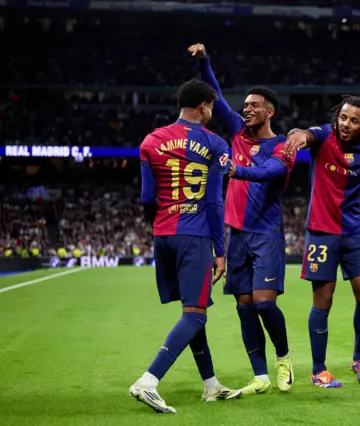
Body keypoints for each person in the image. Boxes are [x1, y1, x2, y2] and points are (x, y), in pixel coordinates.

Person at [189, 43, 295, 396]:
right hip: (237, 234)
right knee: (245, 307)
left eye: (254, 106)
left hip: (266, 233)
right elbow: (215, 96)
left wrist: (238, 170)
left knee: (265, 302)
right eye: (245, 105)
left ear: (270, 112)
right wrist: (205, 61)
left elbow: (270, 171)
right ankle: (260, 375)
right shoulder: (236, 132)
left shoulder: (282, 146)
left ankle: (283, 358)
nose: (246, 109)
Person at [130, 78, 234, 414]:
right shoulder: (216, 144)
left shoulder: (151, 140)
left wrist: (159, 225)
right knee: (196, 314)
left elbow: (147, 197)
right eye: (212, 107)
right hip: (196, 235)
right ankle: (149, 380)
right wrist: (220, 251)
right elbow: (215, 203)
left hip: (164, 234)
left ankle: (211, 385)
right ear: (204, 105)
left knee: (193, 310)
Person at [284, 96, 360, 388]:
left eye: (354, 120)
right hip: (321, 231)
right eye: (343, 117)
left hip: (354, 231)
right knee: (322, 302)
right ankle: (319, 370)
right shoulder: (324, 136)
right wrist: (297, 137)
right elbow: (304, 134)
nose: (345, 124)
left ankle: (359, 358)